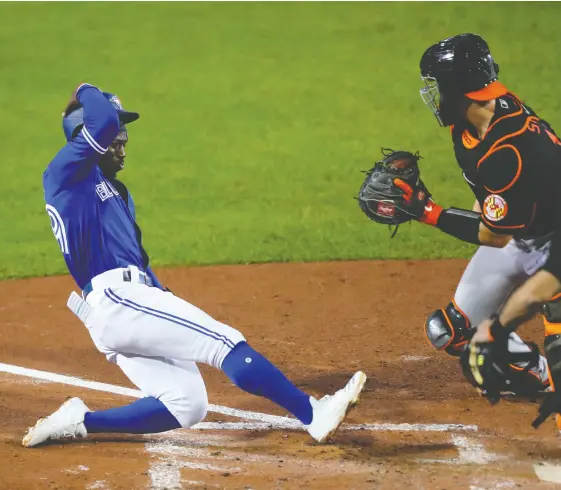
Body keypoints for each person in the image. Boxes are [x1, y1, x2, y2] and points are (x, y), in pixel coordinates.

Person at [21, 82, 366, 447]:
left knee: (188, 405)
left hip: (128, 301)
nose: (122, 140)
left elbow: (139, 258)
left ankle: (80, 422)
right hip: (115, 300)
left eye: (124, 134)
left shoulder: (115, 191)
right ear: (83, 136)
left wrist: (165, 298)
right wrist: (86, 89)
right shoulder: (65, 175)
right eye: (116, 135)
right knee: (222, 342)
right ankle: (314, 414)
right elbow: (102, 120)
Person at [400, 33, 561, 427]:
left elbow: (494, 235)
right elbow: (488, 205)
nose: (434, 95)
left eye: (438, 85)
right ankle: (535, 372)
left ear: (458, 88)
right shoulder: (470, 124)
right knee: (451, 331)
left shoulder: (510, 148)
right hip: (522, 235)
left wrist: (428, 212)